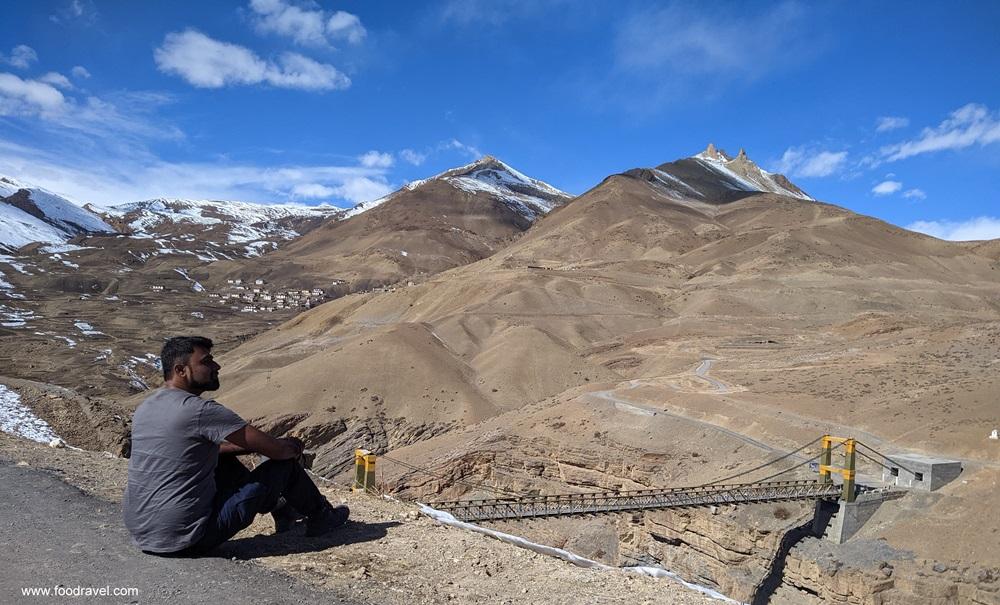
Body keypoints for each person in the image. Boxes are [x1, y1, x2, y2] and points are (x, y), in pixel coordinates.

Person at [124, 335, 348, 556]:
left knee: (220, 458)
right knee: (285, 467)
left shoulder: (147, 406)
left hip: (143, 534)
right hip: (188, 538)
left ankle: (281, 510)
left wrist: (248, 448)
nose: (216, 366)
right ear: (181, 370)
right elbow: (277, 451)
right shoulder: (200, 410)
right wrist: (292, 447)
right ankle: (321, 516)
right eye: (206, 361)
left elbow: (196, 451)